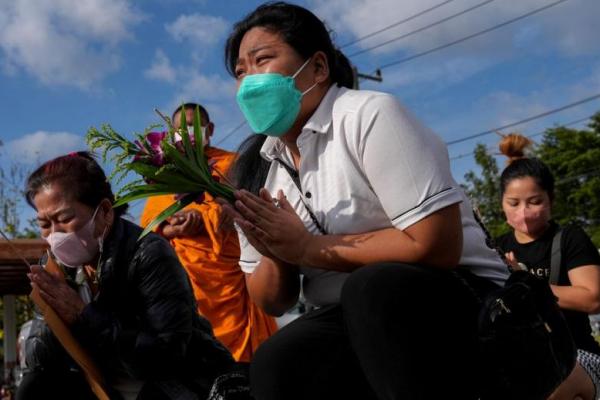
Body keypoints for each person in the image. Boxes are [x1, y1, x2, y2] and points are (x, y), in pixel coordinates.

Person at [221, 3, 509, 399]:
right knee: (279, 361)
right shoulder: (258, 171)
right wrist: (276, 247)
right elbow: (272, 300)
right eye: (240, 72)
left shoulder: (370, 115)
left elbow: (436, 245)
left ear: (318, 68)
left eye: (263, 60)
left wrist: (308, 247)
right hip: (353, 316)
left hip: (465, 300)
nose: (249, 82)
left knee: (371, 288)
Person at [17, 152, 238, 400]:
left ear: (104, 212)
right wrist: (50, 310)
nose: (55, 235)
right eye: (45, 225)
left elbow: (167, 355)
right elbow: (38, 362)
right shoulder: (57, 268)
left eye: (65, 219)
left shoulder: (148, 254)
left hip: (168, 388)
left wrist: (82, 316)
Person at [140, 103, 277, 363]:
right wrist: (169, 228)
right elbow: (151, 222)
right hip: (187, 280)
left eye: (193, 125)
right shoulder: (166, 172)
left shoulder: (231, 164)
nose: (187, 132)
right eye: (179, 128)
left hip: (230, 277)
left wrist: (201, 219)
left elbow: (246, 206)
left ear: (209, 129)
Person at [494, 133, 600, 400]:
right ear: (502, 206)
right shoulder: (495, 247)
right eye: (514, 204)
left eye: (534, 202)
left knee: (551, 388)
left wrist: (525, 281)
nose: (524, 213)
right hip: (524, 360)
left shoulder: (569, 238)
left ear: (551, 199)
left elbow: (592, 298)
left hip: (580, 356)